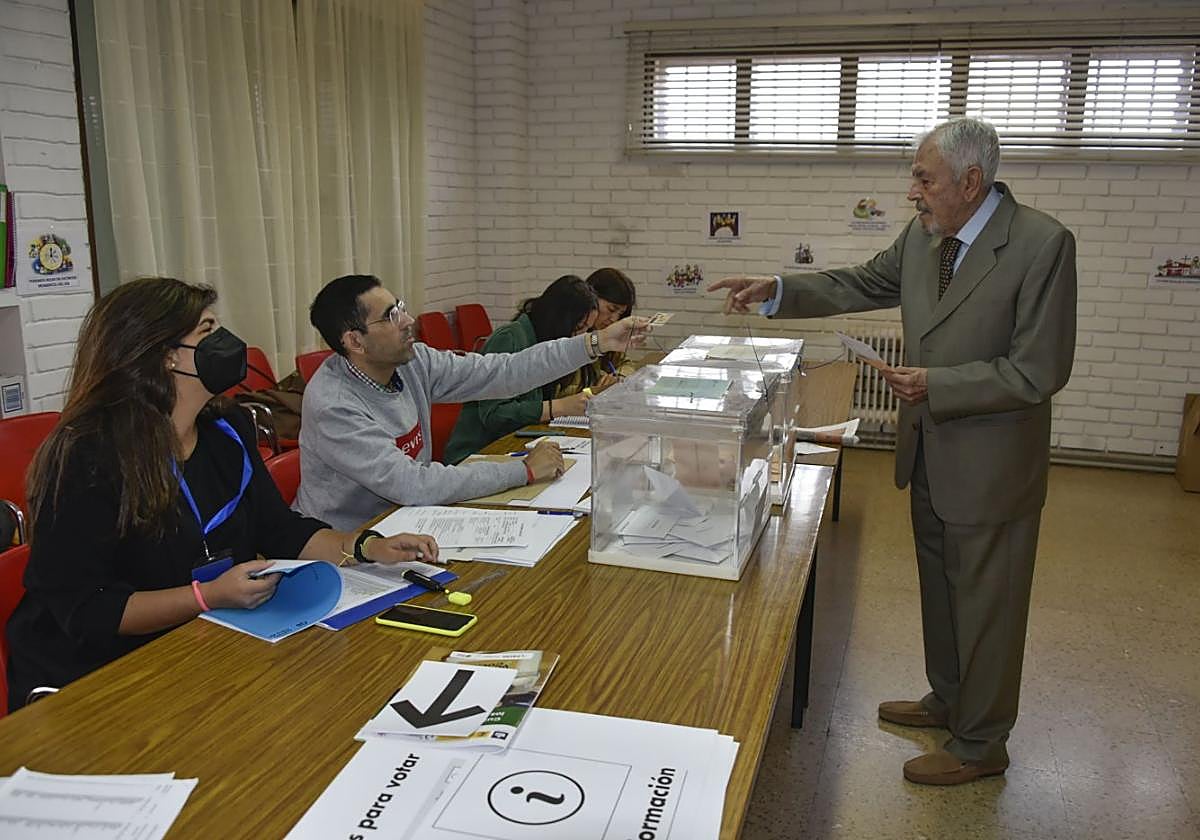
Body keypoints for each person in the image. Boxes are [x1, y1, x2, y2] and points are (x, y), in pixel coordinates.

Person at [710, 118, 1077, 786]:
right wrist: (778, 291)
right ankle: (949, 700)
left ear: (971, 183)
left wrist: (939, 384)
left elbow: (1039, 369)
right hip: (929, 450)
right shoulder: (923, 236)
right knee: (942, 590)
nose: (912, 191)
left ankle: (982, 742)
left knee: (988, 605)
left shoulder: (1041, 244)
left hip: (992, 465)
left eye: (923, 178)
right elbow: (857, 283)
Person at [5, 277, 435, 712]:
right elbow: (86, 609)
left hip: (202, 642)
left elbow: (281, 530)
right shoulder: (88, 456)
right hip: (97, 677)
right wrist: (205, 596)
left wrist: (363, 546)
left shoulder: (226, 431)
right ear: (165, 356)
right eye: (207, 332)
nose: (228, 344)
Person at [297, 274, 646, 530]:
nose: (408, 321)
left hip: (405, 522)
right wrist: (522, 469)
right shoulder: (335, 404)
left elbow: (504, 371)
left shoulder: (414, 361)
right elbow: (411, 483)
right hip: (347, 543)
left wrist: (595, 343)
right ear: (355, 341)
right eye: (390, 316)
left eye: (400, 307)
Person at [443, 275, 601, 464]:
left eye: (587, 330)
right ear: (560, 320)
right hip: (478, 452)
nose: (581, 336)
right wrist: (558, 407)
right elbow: (494, 415)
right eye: (579, 328)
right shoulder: (510, 338)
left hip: (518, 444)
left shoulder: (543, 339)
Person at [556, 268, 639, 399]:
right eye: (611, 309)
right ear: (591, 297)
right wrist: (596, 385)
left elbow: (626, 363)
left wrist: (619, 376)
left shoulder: (604, 334)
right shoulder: (571, 333)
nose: (614, 319)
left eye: (621, 314)